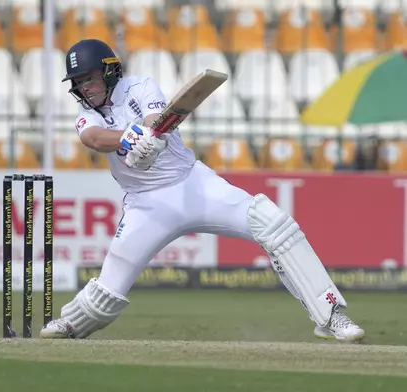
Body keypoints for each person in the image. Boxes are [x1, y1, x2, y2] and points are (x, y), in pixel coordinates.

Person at [40, 39, 364, 342]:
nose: (85, 88)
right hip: (146, 205)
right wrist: (129, 137)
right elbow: (93, 138)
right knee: (108, 290)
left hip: (193, 184)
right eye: (79, 83)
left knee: (275, 225)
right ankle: (72, 323)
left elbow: (157, 118)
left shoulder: (139, 86)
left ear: (110, 72)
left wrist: (152, 135)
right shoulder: (86, 116)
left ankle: (331, 315)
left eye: (90, 79)